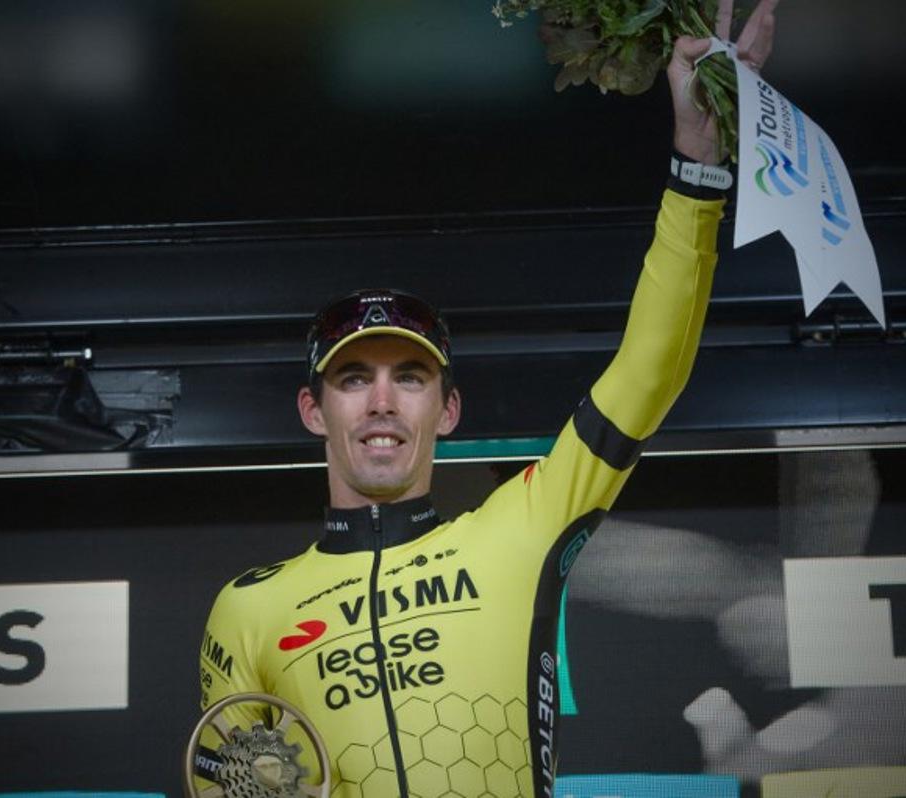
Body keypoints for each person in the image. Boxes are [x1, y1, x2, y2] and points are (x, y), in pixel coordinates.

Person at [195, 3, 780, 797]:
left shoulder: (520, 531)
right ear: (313, 412)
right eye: (352, 378)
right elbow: (233, 785)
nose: (380, 402)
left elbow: (649, 374)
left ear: (448, 412)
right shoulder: (247, 609)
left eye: (410, 378)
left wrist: (700, 167)